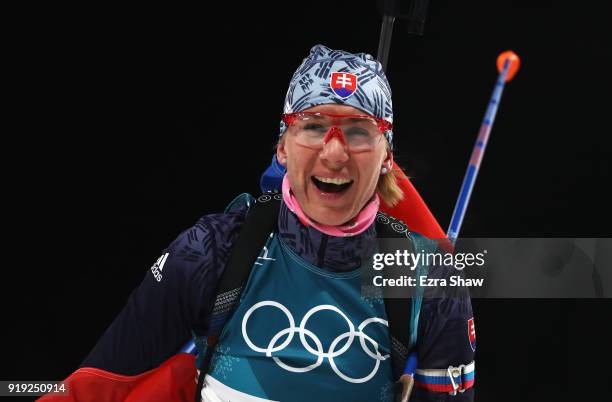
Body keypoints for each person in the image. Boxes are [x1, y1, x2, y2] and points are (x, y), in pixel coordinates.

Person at [43, 44, 475, 402]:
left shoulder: (430, 276)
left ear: (388, 158)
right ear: (282, 147)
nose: (334, 153)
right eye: (313, 125)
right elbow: (92, 390)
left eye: (360, 132)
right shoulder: (212, 249)